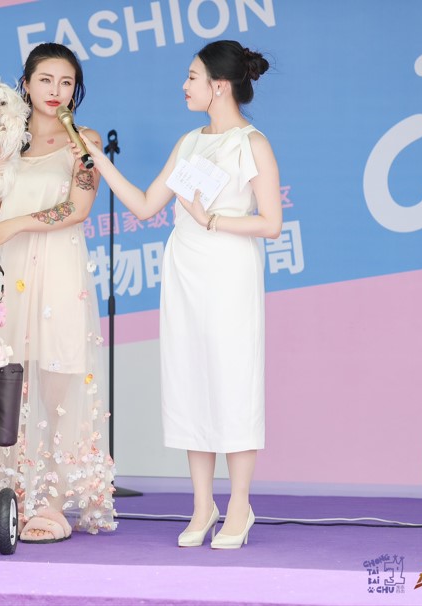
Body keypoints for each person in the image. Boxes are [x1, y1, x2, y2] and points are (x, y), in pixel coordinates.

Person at [76, 40, 282, 549]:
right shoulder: (189, 142)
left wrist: (212, 220)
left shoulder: (252, 144)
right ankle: (201, 505)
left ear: (220, 85)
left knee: (232, 382)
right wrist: (98, 161)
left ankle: (239, 506)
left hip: (229, 272)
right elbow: (147, 204)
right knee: (192, 382)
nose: (184, 85)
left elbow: (271, 223)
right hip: (184, 271)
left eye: (192, 77)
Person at [0, 42, 117, 542]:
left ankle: (53, 504)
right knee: (6, 387)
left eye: (66, 82)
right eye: (46, 80)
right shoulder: (7, 141)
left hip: (58, 271)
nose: (56, 91)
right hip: (9, 273)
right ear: (27, 84)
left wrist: (17, 225)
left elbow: (77, 208)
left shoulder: (84, 140)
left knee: (58, 386)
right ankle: (4, 496)